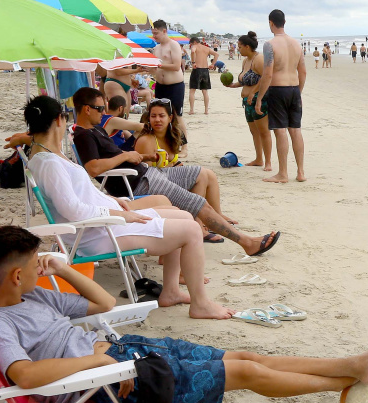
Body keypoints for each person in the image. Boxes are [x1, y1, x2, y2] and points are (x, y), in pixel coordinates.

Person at [0, 226, 368, 403]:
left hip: (122, 353)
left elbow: (103, 302)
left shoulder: (34, 294)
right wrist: (93, 363)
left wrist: (62, 270)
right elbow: (25, 374)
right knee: (248, 373)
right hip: (110, 381)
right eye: (35, 264)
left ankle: (351, 364)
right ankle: (347, 384)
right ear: (15, 276)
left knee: (246, 356)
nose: (40, 269)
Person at [20, 98, 235, 319]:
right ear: (59, 120)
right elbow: (73, 210)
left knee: (184, 215)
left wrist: (112, 200)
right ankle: (201, 303)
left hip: (102, 224)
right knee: (191, 230)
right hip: (98, 233)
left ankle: (171, 291)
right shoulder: (49, 163)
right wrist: (120, 214)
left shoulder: (46, 156)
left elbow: (79, 195)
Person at [18, 88, 280, 254]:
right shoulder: (82, 137)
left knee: (202, 175)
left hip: (142, 172)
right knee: (193, 201)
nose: (104, 111)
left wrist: (141, 154)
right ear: (60, 120)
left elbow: (133, 126)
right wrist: (126, 156)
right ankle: (245, 242)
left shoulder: (96, 129)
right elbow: (92, 169)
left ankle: (210, 226)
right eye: (100, 108)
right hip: (136, 181)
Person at [258, 10, 306, 183]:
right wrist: (298, 91)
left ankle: (283, 173)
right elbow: (303, 71)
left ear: (271, 23)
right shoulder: (297, 44)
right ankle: (300, 172)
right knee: (295, 130)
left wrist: (259, 98)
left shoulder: (270, 45)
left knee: (280, 131)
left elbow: (268, 74)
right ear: (284, 22)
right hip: (294, 89)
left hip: (278, 90)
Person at [227, 32, 272, 172]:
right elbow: (244, 81)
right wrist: (233, 85)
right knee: (254, 131)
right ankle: (259, 159)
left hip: (260, 99)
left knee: (264, 131)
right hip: (247, 101)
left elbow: (267, 77)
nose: (238, 49)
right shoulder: (245, 61)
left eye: (240, 46)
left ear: (247, 46)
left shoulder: (258, 60)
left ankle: (268, 162)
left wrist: (254, 92)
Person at [150, 20, 187, 130]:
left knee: (176, 116)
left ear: (164, 31)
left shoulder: (174, 45)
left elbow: (176, 66)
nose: (154, 36)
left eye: (156, 33)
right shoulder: (156, 48)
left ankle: (184, 145)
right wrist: (145, 68)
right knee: (161, 115)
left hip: (174, 86)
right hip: (160, 86)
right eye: (153, 33)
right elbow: (154, 69)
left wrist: (159, 65)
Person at [189, 37, 216, 115]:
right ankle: (206, 110)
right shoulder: (206, 48)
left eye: (191, 43)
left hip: (197, 69)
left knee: (192, 90)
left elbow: (193, 51)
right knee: (205, 91)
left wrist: (193, 62)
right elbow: (216, 54)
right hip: (205, 70)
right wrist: (213, 64)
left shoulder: (195, 46)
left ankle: (191, 110)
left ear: (194, 42)